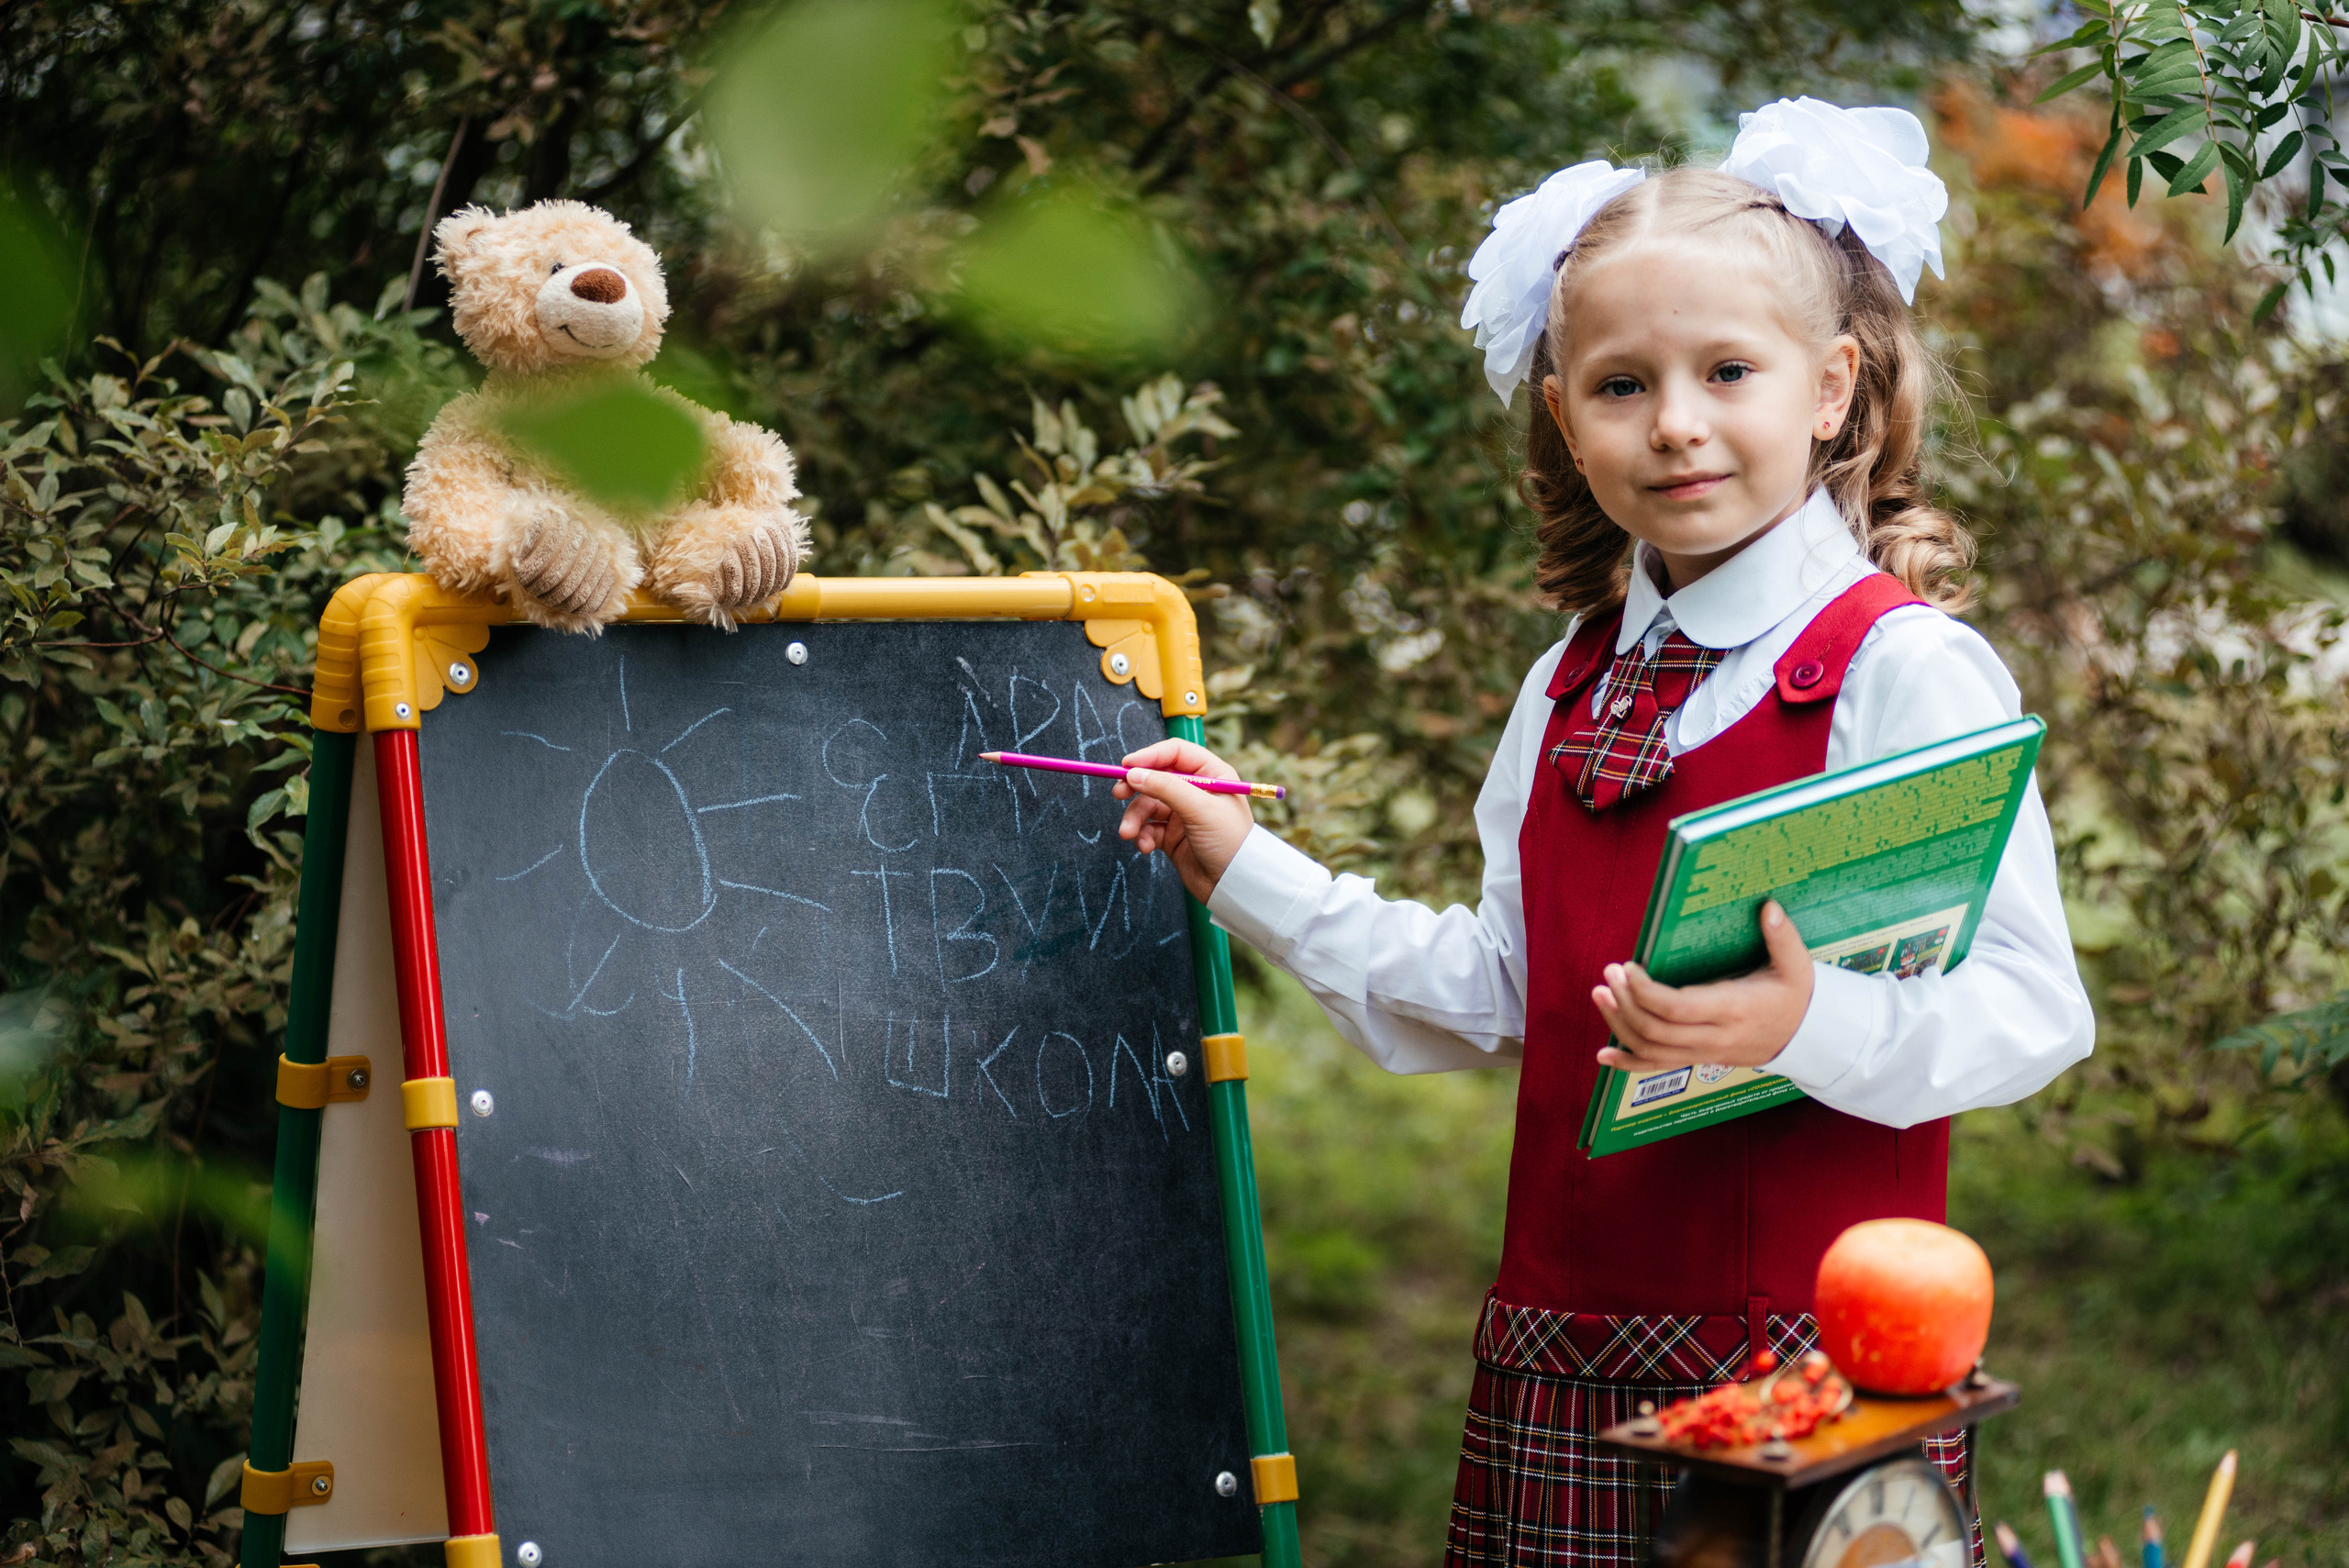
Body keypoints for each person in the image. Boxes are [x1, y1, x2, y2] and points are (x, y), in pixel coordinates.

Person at [1113, 98, 2093, 1568]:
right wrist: (1243, 868)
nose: (1678, 422)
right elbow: (1508, 993)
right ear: (1567, 419)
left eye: (1728, 371)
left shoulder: (1899, 671)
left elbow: (2033, 1007)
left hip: (1810, 1377)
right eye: (1624, 384)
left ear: (1831, 388)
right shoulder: (1566, 684)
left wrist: (1805, 1020)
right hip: (1564, 1361)